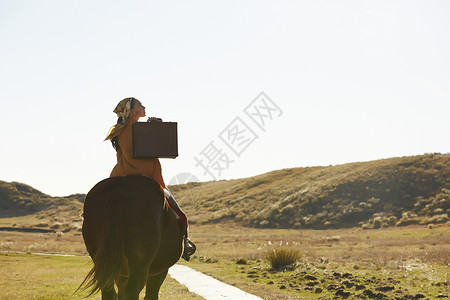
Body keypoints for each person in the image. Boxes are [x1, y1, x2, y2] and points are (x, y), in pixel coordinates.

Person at [104, 97, 196, 261]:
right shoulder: (136, 129)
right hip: (145, 174)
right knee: (178, 213)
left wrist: (154, 127)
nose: (144, 106)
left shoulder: (121, 129)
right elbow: (150, 149)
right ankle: (185, 242)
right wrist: (155, 128)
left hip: (120, 174)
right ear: (131, 111)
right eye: (140, 105)